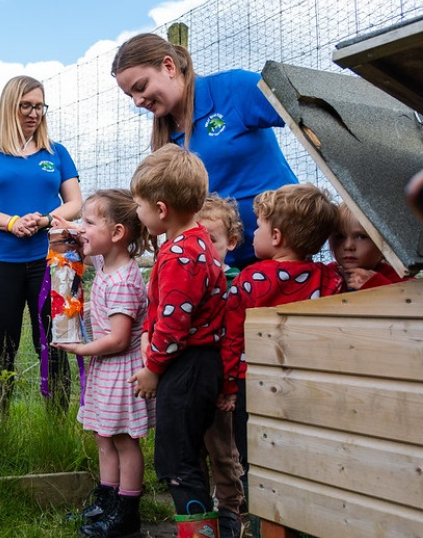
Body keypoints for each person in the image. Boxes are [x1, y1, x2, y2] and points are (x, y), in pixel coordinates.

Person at [111, 33, 298, 269]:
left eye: (141, 87)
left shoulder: (232, 89)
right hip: (220, 263)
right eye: (131, 95)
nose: (137, 101)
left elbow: (305, 113)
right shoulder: (164, 141)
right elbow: (153, 207)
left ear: (169, 66)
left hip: (283, 252)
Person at [219, 183, 345, 512]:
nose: (253, 232)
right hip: (304, 382)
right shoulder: (328, 279)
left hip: (252, 382)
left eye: (258, 225)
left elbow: (232, 339)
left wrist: (228, 386)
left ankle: (259, 514)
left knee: (252, 451)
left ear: (276, 237)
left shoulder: (247, 280)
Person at [0, 75, 82, 409]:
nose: (33, 113)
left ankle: (58, 422)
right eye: (25, 106)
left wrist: (45, 219)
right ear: (9, 108)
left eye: (39, 106)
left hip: (52, 260)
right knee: (1, 348)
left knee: (54, 342)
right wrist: (12, 223)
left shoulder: (56, 153)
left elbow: (75, 202)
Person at [127, 144, 226, 536]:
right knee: (188, 457)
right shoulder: (197, 242)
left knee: (178, 463)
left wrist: (152, 368)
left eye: (139, 205)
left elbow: (173, 324)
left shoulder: (180, 255)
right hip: (198, 364)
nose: (138, 212)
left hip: (186, 367)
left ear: (161, 209)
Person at [51, 189, 155, 538]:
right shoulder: (107, 261)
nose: (83, 228)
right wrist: (70, 226)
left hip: (121, 370)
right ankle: (107, 502)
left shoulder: (124, 280)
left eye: (90, 222)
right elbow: (87, 241)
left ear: (117, 234)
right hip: (105, 371)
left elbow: (119, 339)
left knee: (124, 440)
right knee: (104, 437)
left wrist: (80, 349)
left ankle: (127, 512)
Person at [194, 194, 245, 538]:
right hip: (190, 379)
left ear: (232, 242)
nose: (204, 247)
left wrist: (229, 386)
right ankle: (197, 512)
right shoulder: (187, 277)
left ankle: (230, 509)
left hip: (222, 381)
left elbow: (237, 338)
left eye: (211, 239)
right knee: (192, 448)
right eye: (196, 239)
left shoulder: (236, 282)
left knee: (223, 450)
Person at [330, 202, 412, 291]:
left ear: (382, 242)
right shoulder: (323, 275)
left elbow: (412, 301)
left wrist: (377, 286)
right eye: (340, 237)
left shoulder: (400, 278)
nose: (348, 246)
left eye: (361, 237)